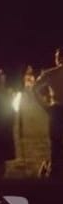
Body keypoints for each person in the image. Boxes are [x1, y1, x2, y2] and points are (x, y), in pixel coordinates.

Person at [33, 47, 63, 181]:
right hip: (56, 110)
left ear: (59, 58)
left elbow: (35, 88)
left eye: (56, 56)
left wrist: (44, 105)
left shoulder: (50, 74)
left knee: (56, 145)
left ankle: (56, 174)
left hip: (56, 110)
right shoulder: (50, 74)